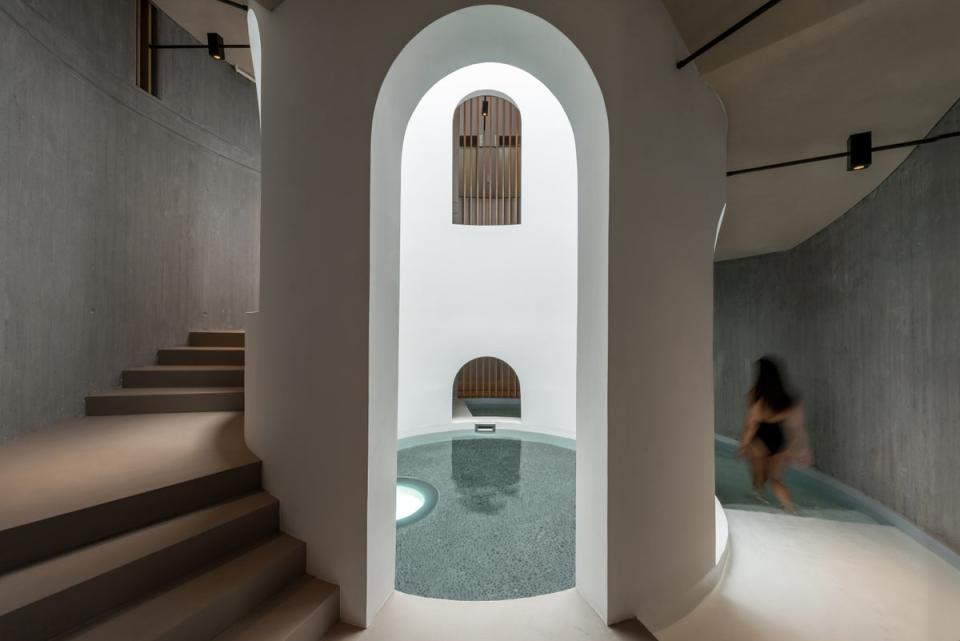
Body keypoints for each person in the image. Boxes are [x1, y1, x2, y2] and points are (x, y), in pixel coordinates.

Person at [737, 356, 811, 513]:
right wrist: (799, 449)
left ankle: (759, 496)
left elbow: (751, 424)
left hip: (760, 439)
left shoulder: (757, 395)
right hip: (779, 439)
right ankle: (790, 508)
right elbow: (797, 426)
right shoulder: (786, 399)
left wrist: (743, 444)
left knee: (759, 477)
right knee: (775, 478)